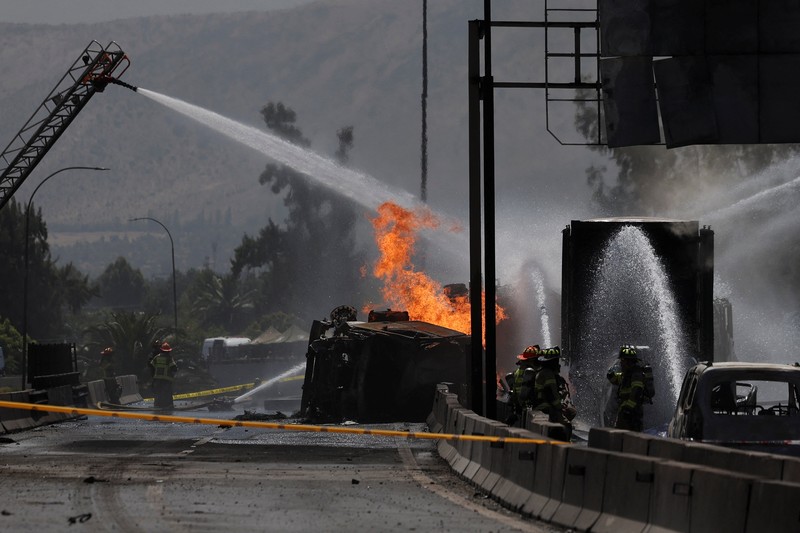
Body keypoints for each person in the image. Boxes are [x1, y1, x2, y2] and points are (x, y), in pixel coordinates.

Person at [607, 345, 647, 431]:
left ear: (629, 362)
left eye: (623, 360)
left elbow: (637, 392)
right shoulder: (626, 374)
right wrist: (611, 374)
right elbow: (617, 379)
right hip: (625, 412)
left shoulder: (636, 374)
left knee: (623, 436)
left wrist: (628, 409)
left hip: (632, 413)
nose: (621, 363)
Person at [533, 347, 571, 428]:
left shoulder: (542, 372)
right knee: (567, 425)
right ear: (551, 362)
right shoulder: (548, 374)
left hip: (542, 407)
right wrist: (559, 407)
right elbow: (550, 393)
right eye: (556, 361)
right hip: (546, 408)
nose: (558, 363)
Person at [505, 345, 540, 425]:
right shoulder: (530, 372)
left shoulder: (517, 371)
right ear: (532, 360)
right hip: (526, 407)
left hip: (518, 407)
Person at [150, 341, 178, 409]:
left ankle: (157, 405)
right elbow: (174, 368)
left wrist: (153, 377)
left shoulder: (156, 357)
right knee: (167, 393)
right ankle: (169, 406)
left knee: (158, 393)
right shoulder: (169, 358)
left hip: (157, 379)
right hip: (166, 379)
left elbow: (151, 366)